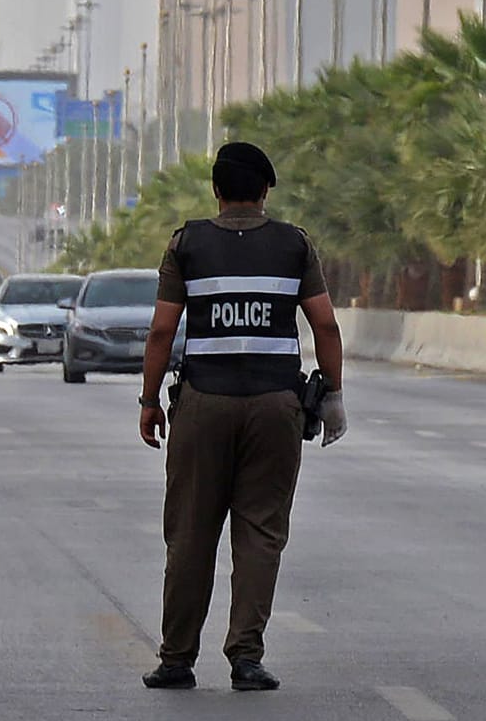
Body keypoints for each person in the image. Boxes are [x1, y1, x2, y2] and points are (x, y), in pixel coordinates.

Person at [137, 141, 347, 692]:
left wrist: (149, 399)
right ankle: (246, 658)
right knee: (260, 533)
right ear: (265, 192)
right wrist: (333, 396)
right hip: (275, 406)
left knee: (190, 533)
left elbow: (161, 331)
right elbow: (325, 325)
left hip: (203, 404)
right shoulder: (294, 245)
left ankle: (177, 659)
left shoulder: (186, 244)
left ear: (216, 191)